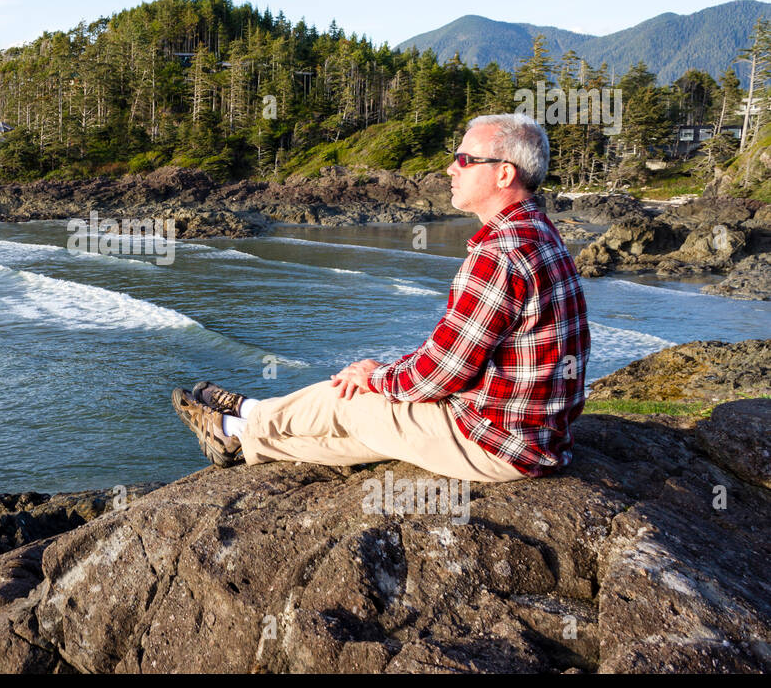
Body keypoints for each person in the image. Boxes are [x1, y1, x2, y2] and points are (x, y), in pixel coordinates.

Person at [172, 113, 590, 482]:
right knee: (364, 427)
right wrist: (384, 373)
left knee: (354, 402)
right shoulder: (537, 230)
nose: (451, 168)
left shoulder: (500, 254)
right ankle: (242, 435)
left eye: (465, 159)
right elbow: (456, 360)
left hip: (497, 442)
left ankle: (248, 421)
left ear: (504, 174)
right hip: (533, 435)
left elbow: (442, 374)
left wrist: (376, 376)